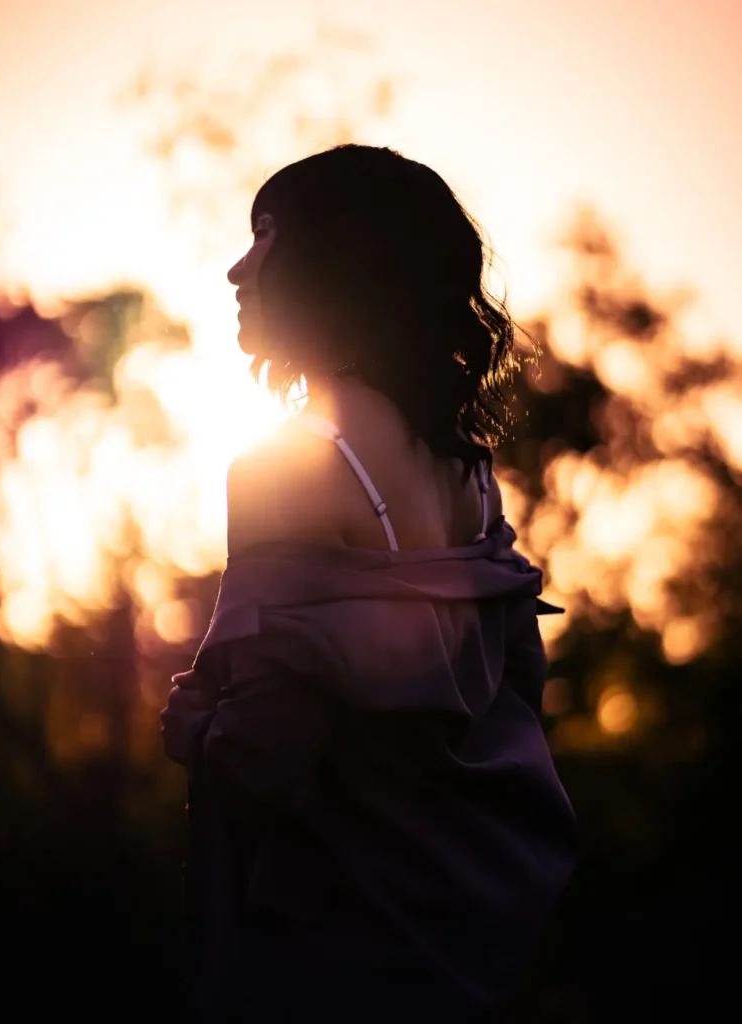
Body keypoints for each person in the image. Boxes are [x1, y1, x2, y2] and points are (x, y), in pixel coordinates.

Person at [161, 144, 576, 1022]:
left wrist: (192, 724)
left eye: (264, 236)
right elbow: (512, 696)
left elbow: (264, 762)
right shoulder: (469, 474)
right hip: (469, 944)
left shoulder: (284, 468)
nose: (238, 269)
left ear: (331, 257)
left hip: (331, 960)